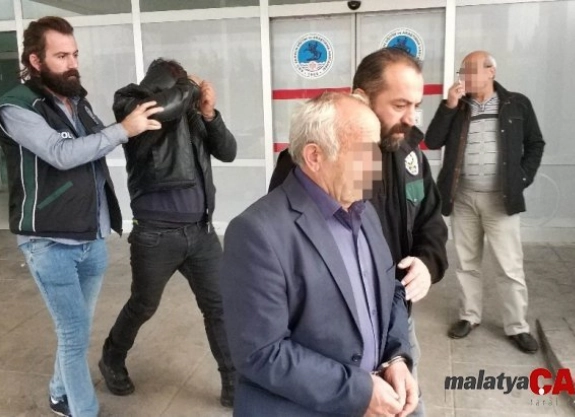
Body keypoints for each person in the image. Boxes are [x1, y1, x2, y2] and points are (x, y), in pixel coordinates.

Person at [0, 16, 162, 417]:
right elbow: (62, 154)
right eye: (61, 56)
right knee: (73, 335)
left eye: (75, 54)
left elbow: (99, 142)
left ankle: (59, 393)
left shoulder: (76, 101)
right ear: (35, 61)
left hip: (90, 236)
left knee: (78, 329)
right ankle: (83, 410)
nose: (72, 63)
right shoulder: (16, 107)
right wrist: (123, 129)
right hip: (49, 241)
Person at [269, 47, 448, 416]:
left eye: (416, 105)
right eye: (399, 105)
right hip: (329, 335)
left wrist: (427, 263)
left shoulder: (411, 156)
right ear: (362, 99)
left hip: (396, 326)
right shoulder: (309, 162)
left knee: (407, 406)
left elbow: (430, 221)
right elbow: (283, 245)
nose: (411, 118)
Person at [222, 92, 418, 416]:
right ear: (315, 156)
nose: (377, 165)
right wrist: (360, 392)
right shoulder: (256, 232)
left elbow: (390, 290)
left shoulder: (365, 210)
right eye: (364, 152)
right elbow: (261, 352)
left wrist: (396, 357)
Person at [98, 58, 238, 406]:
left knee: (220, 306)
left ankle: (234, 383)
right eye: (180, 79)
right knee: (143, 304)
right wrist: (188, 87)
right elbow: (164, 108)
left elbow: (228, 152)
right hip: (155, 235)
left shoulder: (190, 112)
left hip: (200, 233)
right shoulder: (132, 104)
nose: (187, 85)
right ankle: (112, 357)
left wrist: (209, 114)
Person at [424, 51, 545, 353]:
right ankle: (469, 316)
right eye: (462, 71)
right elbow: (433, 140)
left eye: (470, 70)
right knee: (467, 264)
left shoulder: (516, 103)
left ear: (491, 71)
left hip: (500, 200)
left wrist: (522, 178)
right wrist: (449, 106)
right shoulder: (457, 107)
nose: (464, 77)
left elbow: (535, 143)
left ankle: (517, 326)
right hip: (463, 197)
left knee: (509, 267)